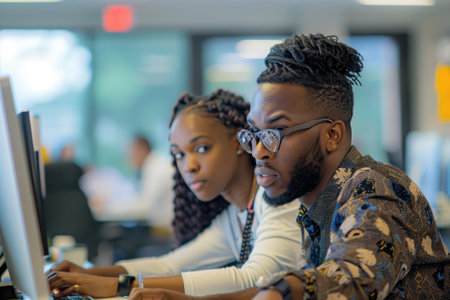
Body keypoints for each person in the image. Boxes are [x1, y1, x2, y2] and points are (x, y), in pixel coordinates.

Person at [128, 34, 450, 300]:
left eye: (276, 133)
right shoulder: (309, 208)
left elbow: (351, 277)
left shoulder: (375, 189)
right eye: (253, 133)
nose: (258, 151)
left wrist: (282, 291)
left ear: (332, 135)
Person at [47, 89, 305, 299]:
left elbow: (254, 278)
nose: (189, 166)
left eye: (202, 148)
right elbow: (169, 265)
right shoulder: (234, 216)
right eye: (179, 154)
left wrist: (121, 286)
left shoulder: (276, 199)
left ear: (238, 142)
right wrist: (90, 274)